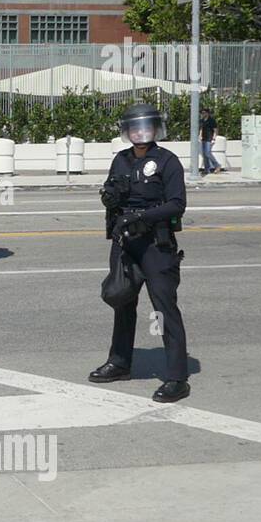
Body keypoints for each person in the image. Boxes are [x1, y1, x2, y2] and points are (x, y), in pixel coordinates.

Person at [91, 103, 190, 403]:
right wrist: (110, 197)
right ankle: (120, 362)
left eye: (145, 127)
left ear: (155, 129)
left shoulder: (167, 161)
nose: (140, 132)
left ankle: (177, 377)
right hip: (125, 243)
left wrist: (142, 217)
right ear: (127, 131)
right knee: (122, 301)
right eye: (134, 127)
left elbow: (177, 204)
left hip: (155, 245)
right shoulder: (120, 159)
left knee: (163, 309)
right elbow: (111, 191)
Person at [199, 107, 224, 175]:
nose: (202, 114)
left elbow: (215, 130)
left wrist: (213, 138)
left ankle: (217, 165)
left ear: (207, 113)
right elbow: (201, 129)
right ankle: (207, 169)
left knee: (207, 153)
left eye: (204, 113)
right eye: (201, 113)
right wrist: (200, 135)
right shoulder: (202, 120)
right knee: (204, 155)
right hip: (203, 138)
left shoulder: (211, 120)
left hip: (209, 138)